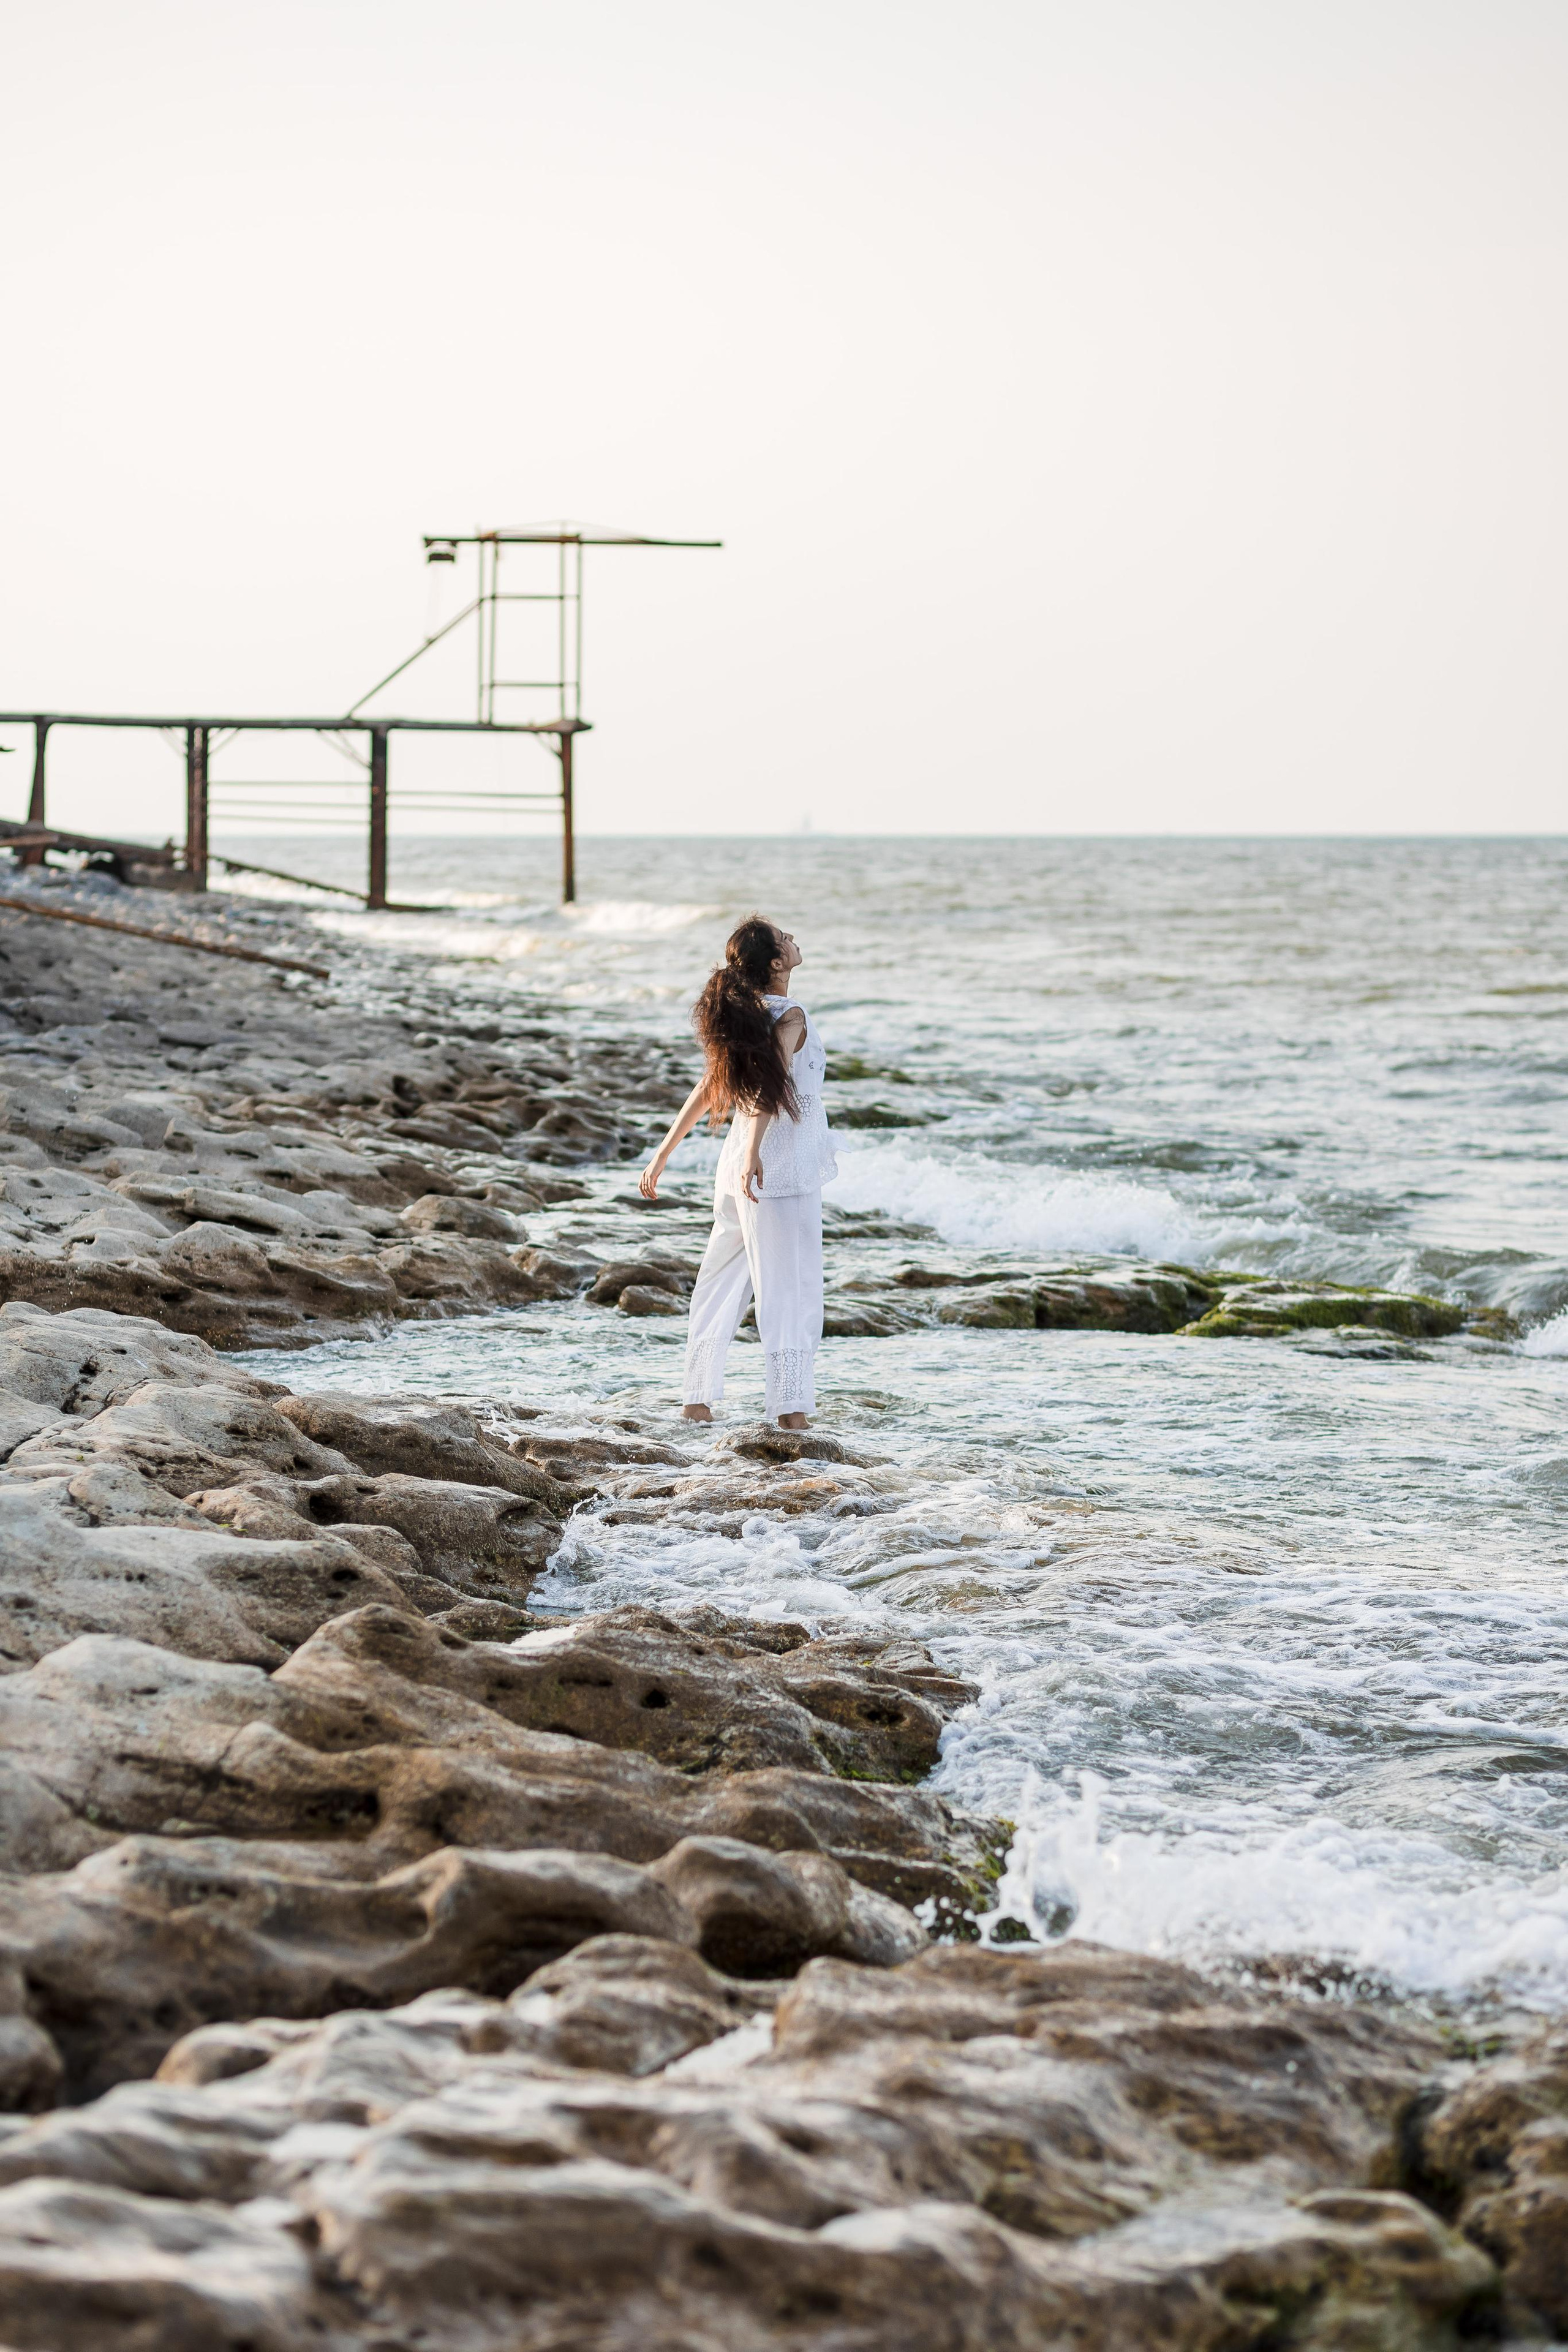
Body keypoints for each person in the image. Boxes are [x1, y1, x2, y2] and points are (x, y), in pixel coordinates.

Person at [639, 916, 835, 1428]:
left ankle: (696, 1399)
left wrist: (664, 1152)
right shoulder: (790, 1014)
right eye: (785, 939)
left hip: (738, 1165)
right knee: (789, 1284)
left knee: (720, 1278)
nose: (794, 939)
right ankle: (791, 1411)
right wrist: (755, 1154)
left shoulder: (745, 1014)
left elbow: (710, 1088)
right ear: (775, 963)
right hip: (777, 1165)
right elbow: (772, 1088)